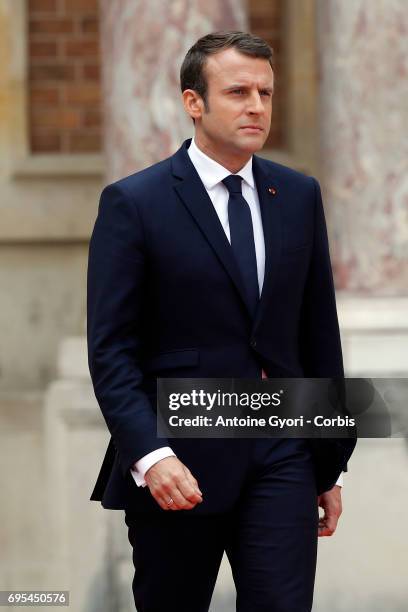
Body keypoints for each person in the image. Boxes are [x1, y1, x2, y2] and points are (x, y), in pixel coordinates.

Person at [87, 30, 356, 612]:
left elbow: (317, 334)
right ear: (194, 102)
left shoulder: (299, 195)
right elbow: (111, 351)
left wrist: (329, 460)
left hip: (282, 452)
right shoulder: (134, 203)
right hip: (180, 460)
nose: (256, 106)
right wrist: (150, 456)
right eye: (237, 91)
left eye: (265, 92)